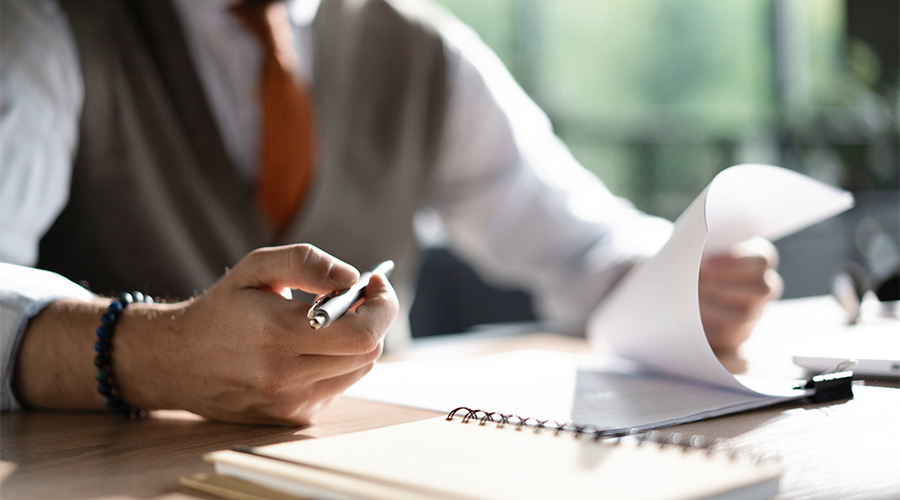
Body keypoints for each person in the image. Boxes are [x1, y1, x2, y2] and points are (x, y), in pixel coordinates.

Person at [0, 0, 782, 425]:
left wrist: (679, 278)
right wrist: (156, 354)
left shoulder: (422, 47)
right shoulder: (46, 26)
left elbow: (580, 242)